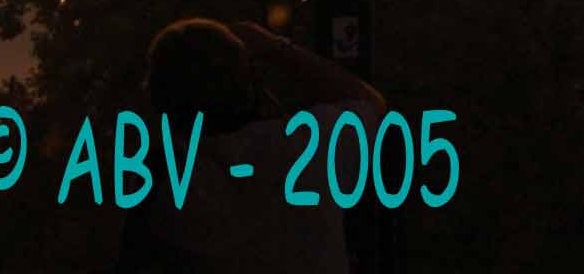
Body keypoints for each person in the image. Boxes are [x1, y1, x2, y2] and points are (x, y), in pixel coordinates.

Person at [115, 14, 384, 271]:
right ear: (252, 86)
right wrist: (276, 47)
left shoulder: (166, 180)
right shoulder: (313, 145)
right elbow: (370, 102)